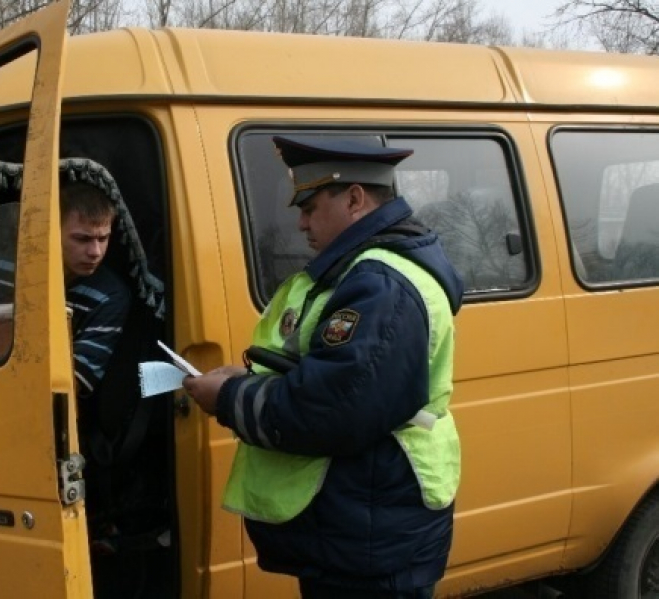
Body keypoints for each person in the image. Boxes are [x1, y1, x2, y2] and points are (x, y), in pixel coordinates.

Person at [183, 135, 464, 599]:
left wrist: (230, 399)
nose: (300, 222)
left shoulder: (380, 283)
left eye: (310, 206)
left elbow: (331, 408)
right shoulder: (359, 272)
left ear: (355, 198)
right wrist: (249, 380)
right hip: (358, 526)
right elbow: (328, 374)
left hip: (370, 536)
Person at [60, 181, 131, 402]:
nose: (95, 252)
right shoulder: (4, 266)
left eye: (103, 238)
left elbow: (73, 382)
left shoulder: (109, 295)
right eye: (82, 239)